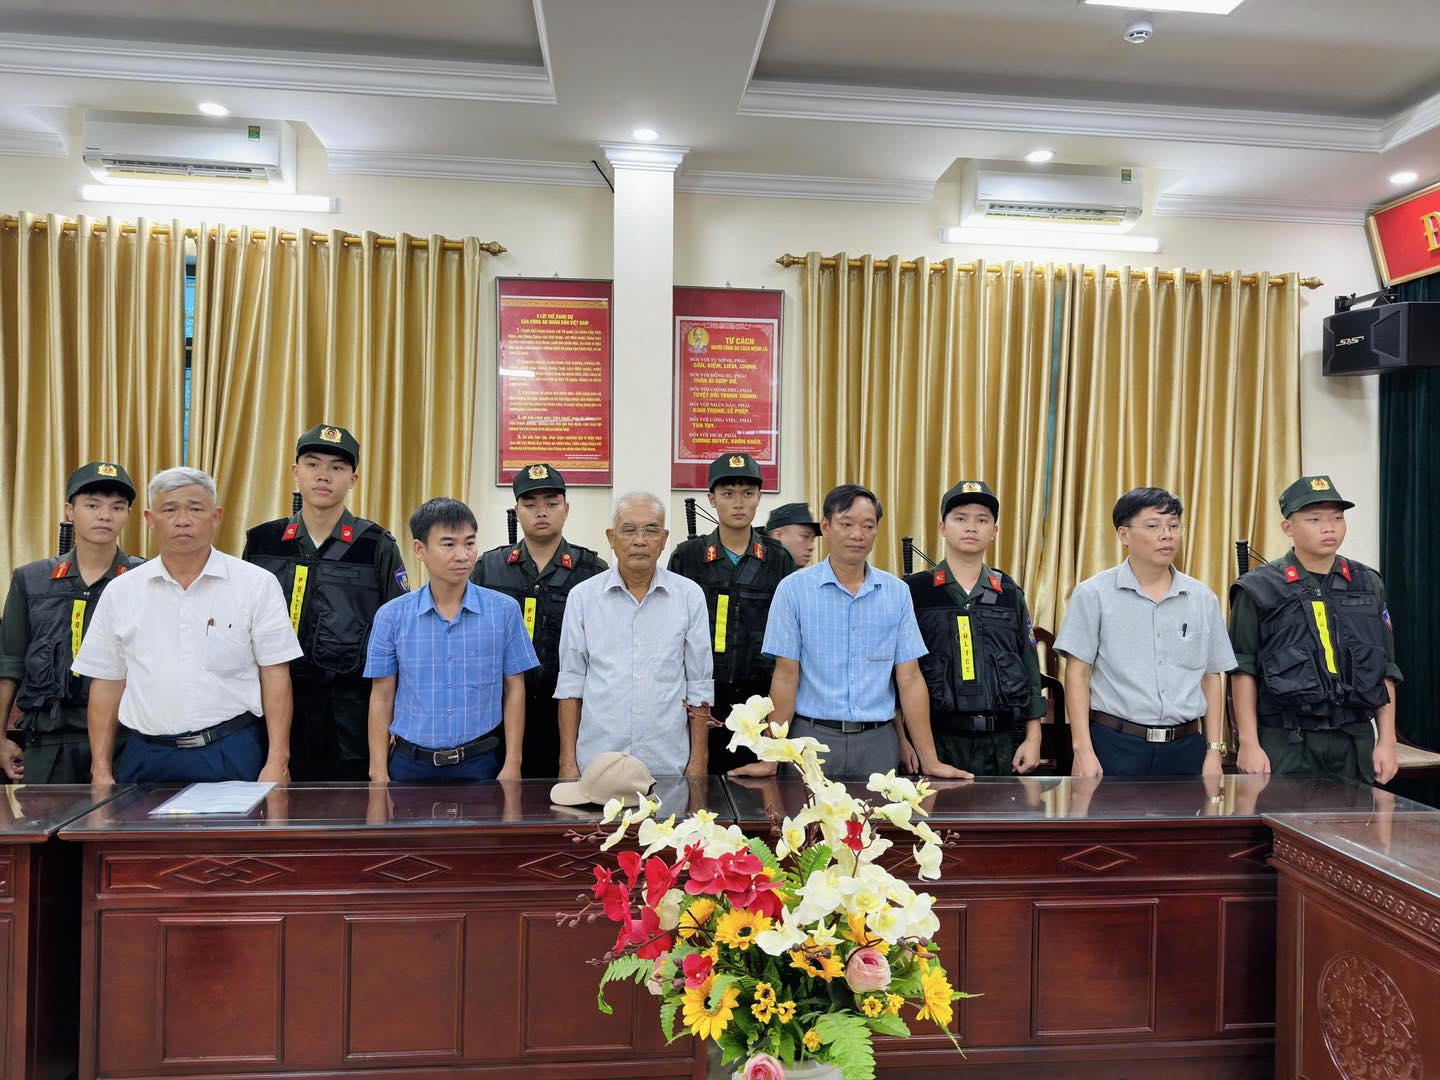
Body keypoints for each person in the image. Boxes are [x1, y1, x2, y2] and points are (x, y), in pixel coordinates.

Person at [73, 467, 303, 784]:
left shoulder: (255, 584)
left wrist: (278, 760)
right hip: (145, 754)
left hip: (230, 750)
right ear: (150, 519)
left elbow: (275, 674)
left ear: (216, 516)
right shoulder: (122, 591)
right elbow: (107, 683)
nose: (183, 520)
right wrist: (100, 768)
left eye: (195, 509)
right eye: (169, 510)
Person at [732, 484, 966, 781]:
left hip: (878, 743)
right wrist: (771, 757)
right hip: (810, 740)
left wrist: (930, 760)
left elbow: (910, 679)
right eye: (846, 524)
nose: (858, 534)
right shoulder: (794, 590)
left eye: (868, 526)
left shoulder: (896, 592)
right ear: (826, 526)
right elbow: (786, 676)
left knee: (880, 813)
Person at [242, 424, 409, 781]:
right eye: (313, 464)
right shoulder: (263, 542)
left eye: (337, 467)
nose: (323, 475)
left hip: (351, 713)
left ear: (353, 479)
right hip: (273, 708)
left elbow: (401, 633)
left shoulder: (374, 545)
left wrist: (399, 713)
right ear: (295, 471)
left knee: (352, 808)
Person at [1229, 475, 1401, 785]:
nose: (1329, 528)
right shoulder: (1258, 588)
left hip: (1354, 740)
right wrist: (1249, 743)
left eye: (1337, 518)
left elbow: (1385, 668)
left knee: (1357, 816)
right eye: (1314, 519)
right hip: (1285, 741)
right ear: (1288, 527)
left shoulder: (1367, 582)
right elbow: (1243, 670)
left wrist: (1387, 741)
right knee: (1282, 816)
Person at [1054, 487, 1234, 779]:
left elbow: (1211, 677)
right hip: (1115, 745)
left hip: (1186, 747)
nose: (1167, 535)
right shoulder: (1094, 594)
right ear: (1124, 534)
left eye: (1173, 526)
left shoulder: (1202, 598)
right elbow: (1077, 674)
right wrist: (1083, 750)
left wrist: (1214, 751)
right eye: (1153, 526)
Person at [365, 498, 538, 783]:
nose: (462, 555)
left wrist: (513, 763)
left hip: (481, 763)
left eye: (469, 543)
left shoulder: (504, 611)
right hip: (410, 765)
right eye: (448, 544)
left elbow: (515, 690)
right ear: (419, 549)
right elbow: (382, 697)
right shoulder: (391, 616)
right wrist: (378, 770)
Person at [0, 462, 145, 783]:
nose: (105, 515)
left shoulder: (145, 579)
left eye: (117, 507)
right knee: (43, 816)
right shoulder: (31, 579)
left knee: (126, 817)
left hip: (126, 740)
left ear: (128, 514)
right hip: (49, 741)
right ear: (70, 510)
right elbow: (9, 662)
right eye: (92, 505)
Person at [554, 492, 713, 780]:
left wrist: (699, 762)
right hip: (598, 764)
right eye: (628, 530)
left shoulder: (689, 596)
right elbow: (571, 683)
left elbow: (699, 685)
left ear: (664, 539)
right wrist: (567, 763)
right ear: (611, 537)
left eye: (651, 530)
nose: (640, 540)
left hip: (667, 764)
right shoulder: (583, 598)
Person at [470, 463, 607, 778]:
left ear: (566, 509)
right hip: (498, 715)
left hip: (568, 715)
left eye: (551, 503)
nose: (541, 512)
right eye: (530, 504)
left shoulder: (592, 571)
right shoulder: (489, 568)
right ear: (516, 511)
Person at [904, 481, 1047, 776]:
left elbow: (1030, 666)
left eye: (982, 520)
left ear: (994, 531)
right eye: (960, 518)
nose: (971, 527)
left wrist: (1034, 737)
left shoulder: (1009, 593)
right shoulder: (915, 591)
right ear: (942, 527)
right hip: (934, 741)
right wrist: (901, 739)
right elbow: (897, 673)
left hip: (1001, 744)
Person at [669, 452, 795, 773]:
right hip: (699, 700)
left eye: (748, 494)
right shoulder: (688, 556)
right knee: (696, 787)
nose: (739, 503)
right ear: (712, 499)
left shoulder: (778, 559)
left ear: (759, 498)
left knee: (757, 791)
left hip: (759, 702)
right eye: (728, 494)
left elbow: (789, 638)